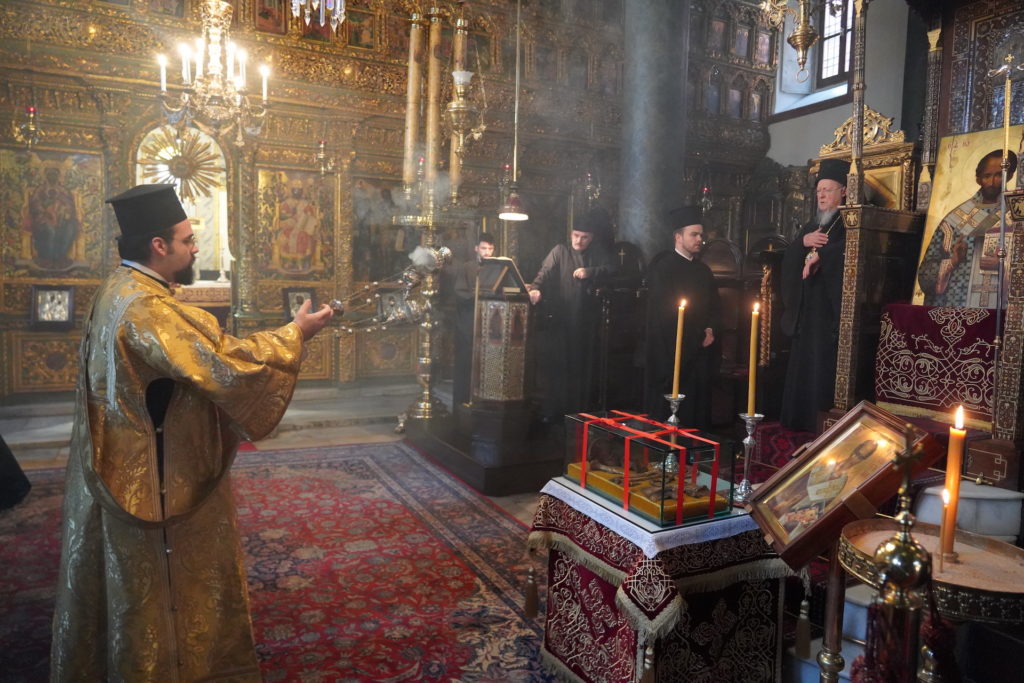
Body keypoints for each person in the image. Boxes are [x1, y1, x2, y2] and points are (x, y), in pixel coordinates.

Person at [50, 184, 333, 681]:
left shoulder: (118, 287)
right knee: (161, 586)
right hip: (152, 477)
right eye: (187, 239)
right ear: (159, 245)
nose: (196, 247)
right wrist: (297, 334)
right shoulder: (148, 309)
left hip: (116, 460)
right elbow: (224, 367)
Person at [779, 158, 850, 432]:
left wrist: (823, 254)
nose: (821, 195)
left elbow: (851, 252)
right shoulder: (811, 225)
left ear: (844, 191)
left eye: (828, 190)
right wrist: (802, 243)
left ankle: (819, 425)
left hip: (828, 314)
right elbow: (789, 260)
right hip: (805, 312)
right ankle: (798, 420)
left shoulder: (849, 223)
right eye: (819, 191)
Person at [529, 207, 615, 420]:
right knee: (559, 367)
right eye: (576, 235)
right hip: (561, 320)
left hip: (587, 323)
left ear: (591, 238)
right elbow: (544, 272)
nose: (579, 241)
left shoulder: (597, 253)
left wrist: (590, 272)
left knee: (582, 369)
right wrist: (535, 288)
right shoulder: (560, 251)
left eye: (584, 237)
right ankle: (555, 413)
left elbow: (611, 269)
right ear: (571, 234)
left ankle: (580, 414)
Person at [643, 206, 721, 429]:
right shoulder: (663, 268)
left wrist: (711, 329)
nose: (699, 239)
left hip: (700, 353)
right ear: (678, 237)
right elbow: (662, 314)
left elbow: (715, 307)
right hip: (672, 353)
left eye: (701, 235)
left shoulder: (703, 271)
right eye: (693, 234)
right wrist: (694, 337)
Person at [918, 149, 1018, 308]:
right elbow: (925, 274)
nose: (992, 182)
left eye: (999, 175)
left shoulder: (1017, 215)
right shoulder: (953, 220)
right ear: (978, 178)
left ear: (1010, 176)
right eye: (987, 176)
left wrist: (1003, 265)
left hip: (1002, 310)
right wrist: (952, 262)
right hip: (956, 308)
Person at [452, 232, 496, 406]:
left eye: (490, 249)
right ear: (476, 248)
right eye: (484, 248)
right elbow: (460, 293)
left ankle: (483, 401)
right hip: (468, 322)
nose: (487, 252)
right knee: (467, 362)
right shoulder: (467, 268)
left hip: (490, 324)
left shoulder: (497, 266)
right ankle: (462, 402)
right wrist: (477, 295)